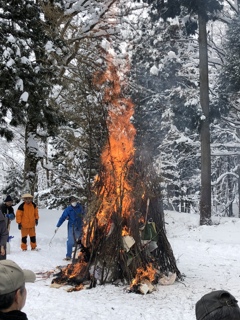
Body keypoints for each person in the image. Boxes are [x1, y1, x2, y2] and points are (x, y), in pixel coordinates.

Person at [55, 196, 84, 260]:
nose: (74, 202)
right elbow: (62, 218)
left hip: (80, 226)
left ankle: (83, 255)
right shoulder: (68, 209)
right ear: (70, 202)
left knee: (82, 240)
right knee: (70, 241)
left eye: (75, 200)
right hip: (72, 227)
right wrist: (58, 226)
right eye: (72, 201)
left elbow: (85, 215)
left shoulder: (80, 207)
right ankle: (68, 255)